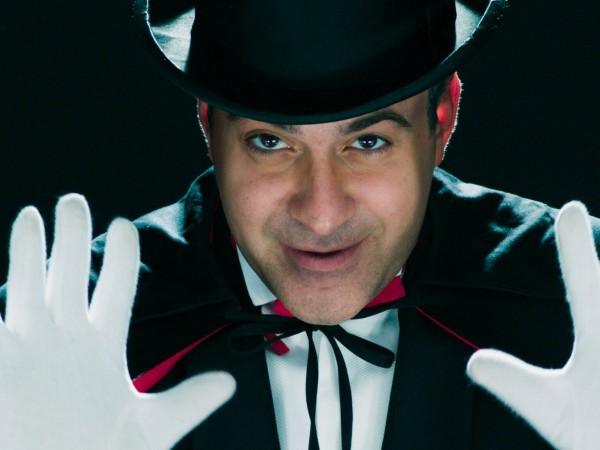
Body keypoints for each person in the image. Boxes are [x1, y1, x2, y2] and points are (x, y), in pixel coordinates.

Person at [1, 0, 599, 449]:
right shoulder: (43, 344)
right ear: (208, 125)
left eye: (368, 142)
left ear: (441, 119)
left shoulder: (584, 305)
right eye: (269, 142)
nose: (322, 213)